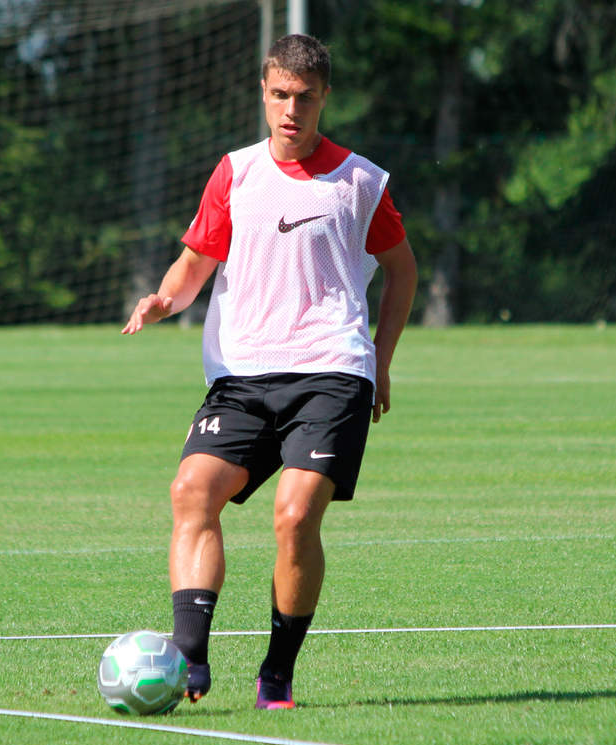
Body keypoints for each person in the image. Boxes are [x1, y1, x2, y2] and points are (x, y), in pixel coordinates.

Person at [122, 33, 418, 709]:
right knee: (192, 492)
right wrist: (167, 298)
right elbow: (196, 261)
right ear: (263, 92)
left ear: (324, 99)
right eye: (280, 95)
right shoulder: (236, 172)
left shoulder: (361, 181)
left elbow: (403, 271)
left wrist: (382, 359)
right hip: (243, 373)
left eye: (305, 98)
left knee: (293, 517)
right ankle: (188, 658)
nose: (291, 110)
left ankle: (276, 674)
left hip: (332, 371)